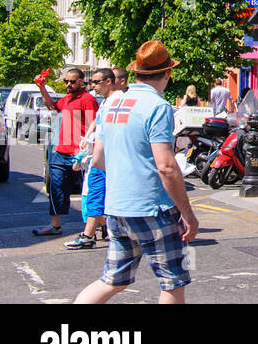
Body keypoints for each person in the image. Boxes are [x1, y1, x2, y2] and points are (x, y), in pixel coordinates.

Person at [74, 41, 199, 304]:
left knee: (111, 281)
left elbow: (97, 159)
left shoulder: (111, 104)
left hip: (117, 207)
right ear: (167, 73)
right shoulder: (158, 107)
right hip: (153, 209)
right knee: (172, 284)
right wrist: (188, 214)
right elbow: (166, 167)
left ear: (136, 72)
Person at [33, 67, 99, 237]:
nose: (68, 84)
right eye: (66, 81)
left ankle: (99, 226)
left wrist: (86, 148)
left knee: (91, 191)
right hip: (61, 152)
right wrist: (42, 87)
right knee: (56, 189)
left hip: (80, 155)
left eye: (72, 81)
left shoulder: (88, 100)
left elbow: (95, 126)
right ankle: (55, 226)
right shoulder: (67, 99)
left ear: (81, 82)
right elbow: (51, 106)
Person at [64, 68, 122, 250]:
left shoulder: (117, 101)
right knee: (96, 195)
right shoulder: (106, 102)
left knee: (95, 195)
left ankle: (89, 235)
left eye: (96, 82)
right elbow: (96, 125)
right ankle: (106, 229)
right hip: (98, 155)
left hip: (106, 158)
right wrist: (86, 143)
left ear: (109, 82)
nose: (93, 86)